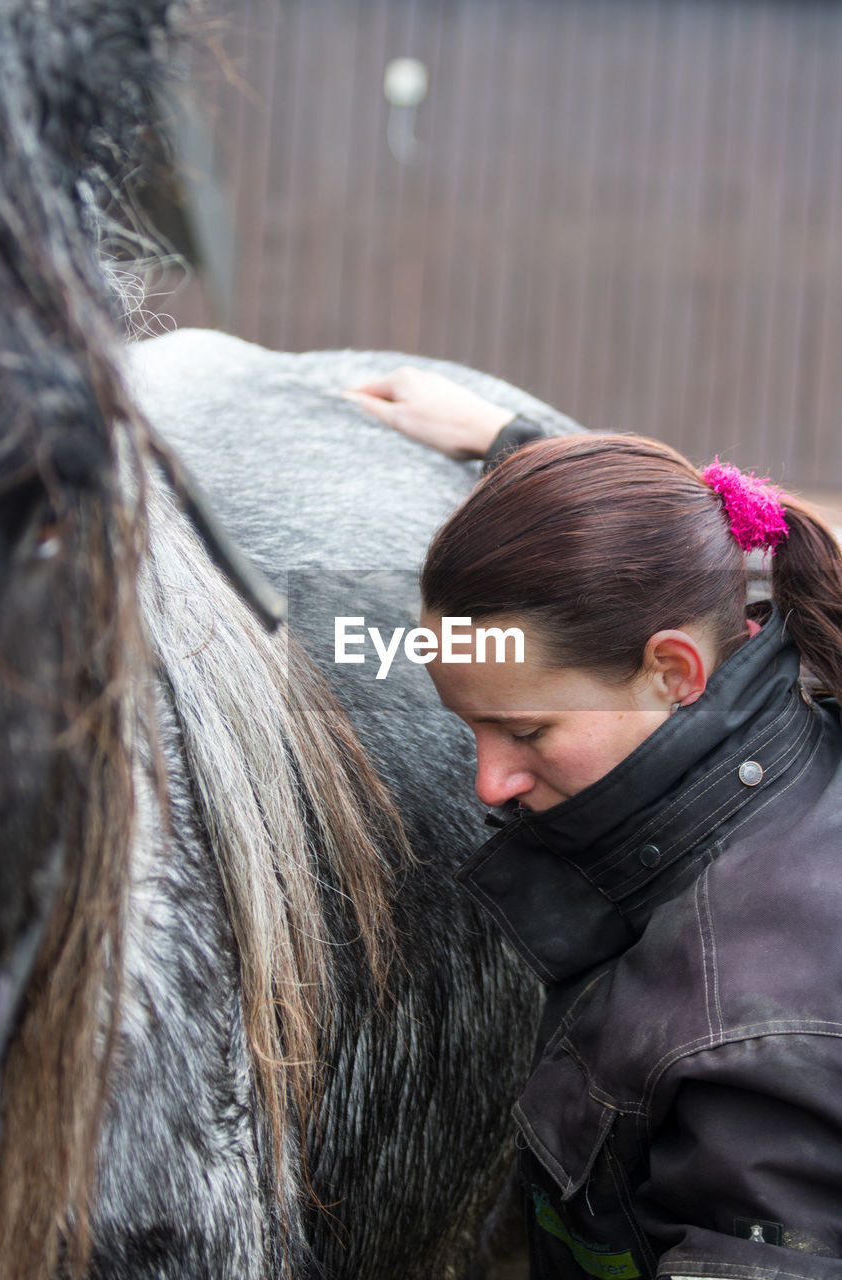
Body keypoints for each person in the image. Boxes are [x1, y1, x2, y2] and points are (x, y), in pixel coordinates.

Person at [346, 367, 842, 1279]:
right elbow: (654, 548)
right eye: (472, 728)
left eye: (526, 728)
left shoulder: (759, 1035)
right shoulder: (782, 665)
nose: (488, 781)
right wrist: (509, 441)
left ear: (675, 672)